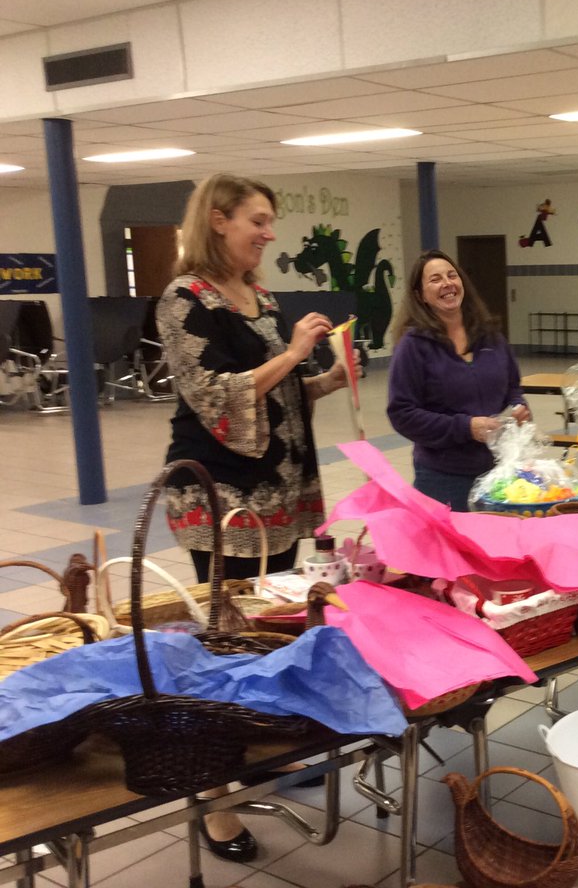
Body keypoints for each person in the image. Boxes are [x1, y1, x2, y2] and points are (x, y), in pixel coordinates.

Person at [156, 173, 353, 862]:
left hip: (281, 493)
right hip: (224, 495)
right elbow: (213, 396)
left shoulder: (260, 295)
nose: (270, 234)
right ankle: (213, 798)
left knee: (272, 624)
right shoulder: (185, 299)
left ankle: (255, 746)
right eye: (258, 221)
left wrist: (323, 377)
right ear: (217, 220)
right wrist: (295, 353)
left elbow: (278, 389)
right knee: (226, 639)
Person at [387, 249, 529, 511]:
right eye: (435, 279)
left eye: (452, 275)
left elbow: (512, 387)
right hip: (443, 477)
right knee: (449, 550)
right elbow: (402, 413)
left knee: (496, 548)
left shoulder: (491, 337)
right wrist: (465, 427)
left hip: (500, 470)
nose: (447, 283)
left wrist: (518, 406)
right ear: (420, 296)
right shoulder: (413, 346)